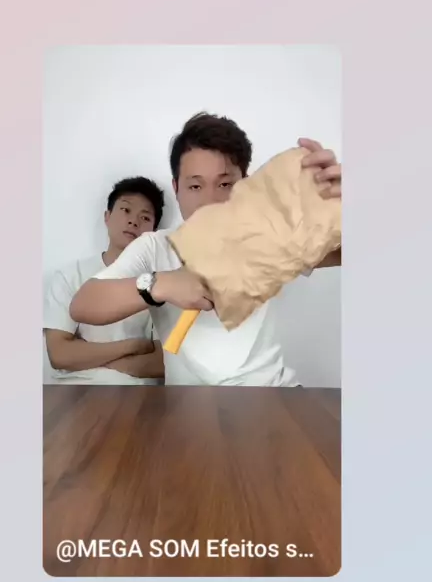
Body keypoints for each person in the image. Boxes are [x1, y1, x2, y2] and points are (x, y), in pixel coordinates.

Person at [70, 114, 342, 386]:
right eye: (195, 186)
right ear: (176, 188)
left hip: (272, 393)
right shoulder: (155, 247)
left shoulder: (267, 235)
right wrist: (161, 284)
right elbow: (84, 304)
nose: (210, 202)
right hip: (189, 401)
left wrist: (342, 205)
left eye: (225, 184)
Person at [44, 176, 165, 384]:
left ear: (153, 233)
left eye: (145, 218)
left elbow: (160, 363)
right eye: (125, 210)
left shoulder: (160, 285)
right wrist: (132, 346)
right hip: (77, 389)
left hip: (138, 393)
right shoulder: (70, 276)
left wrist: (89, 355)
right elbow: (60, 354)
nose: (133, 221)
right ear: (107, 217)